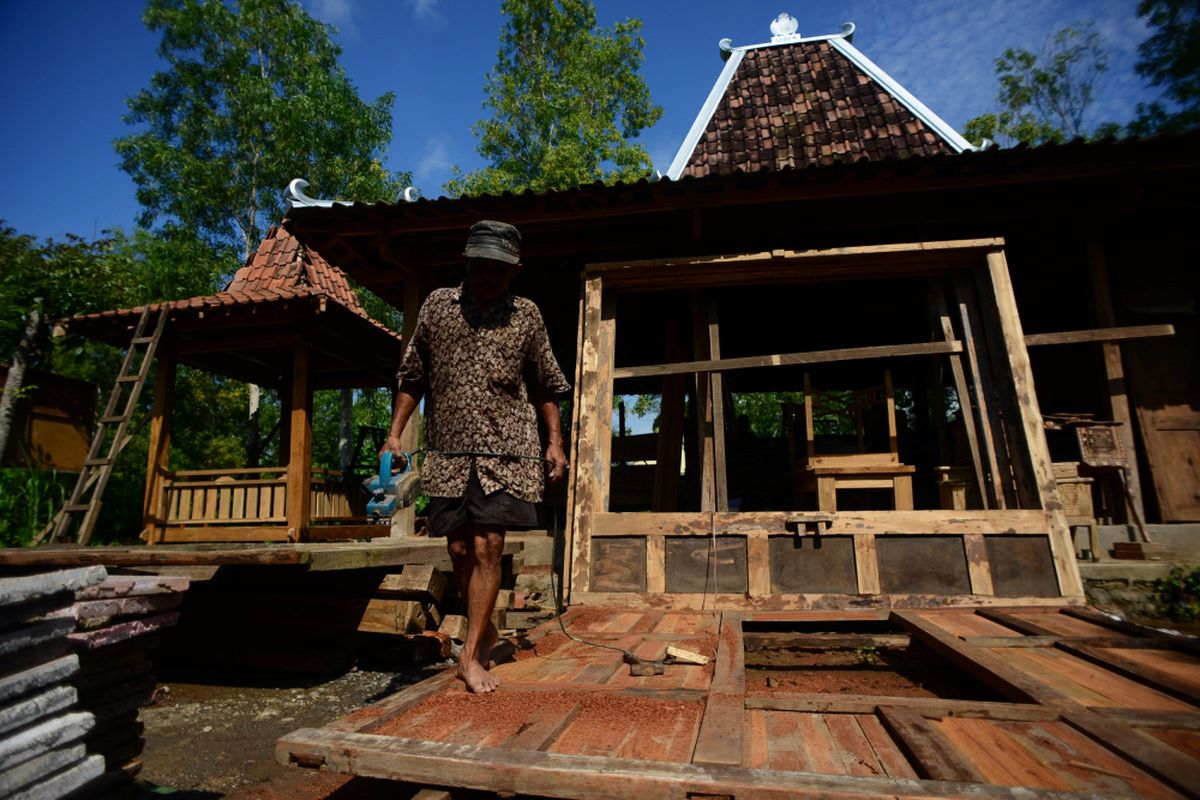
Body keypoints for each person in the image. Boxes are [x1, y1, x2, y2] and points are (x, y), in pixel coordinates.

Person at [382, 220, 570, 693]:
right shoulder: (437, 308)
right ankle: (484, 628)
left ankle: (470, 654)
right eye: (482, 265)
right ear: (465, 261)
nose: (490, 275)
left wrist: (555, 443)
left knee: (488, 545)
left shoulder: (526, 315)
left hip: (507, 450)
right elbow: (412, 376)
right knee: (460, 550)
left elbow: (547, 384)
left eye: (500, 269)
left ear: (515, 271)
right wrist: (395, 435)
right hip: (449, 451)